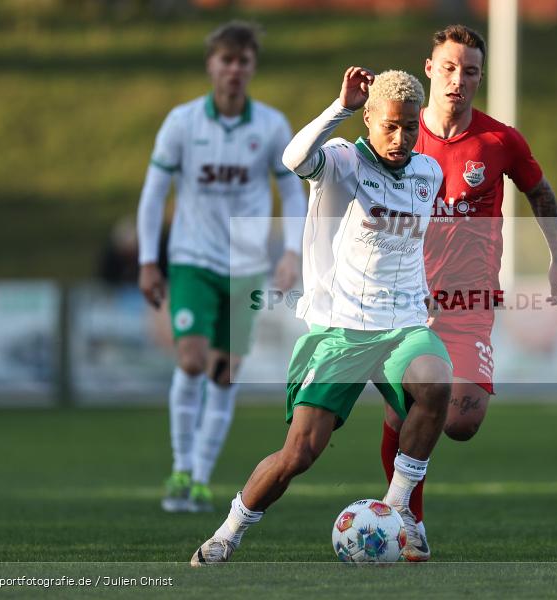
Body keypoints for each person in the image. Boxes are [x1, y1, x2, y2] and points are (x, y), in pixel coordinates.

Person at [189, 67, 453, 566]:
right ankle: (228, 531)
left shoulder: (428, 173)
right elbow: (293, 158)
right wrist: (341, 108)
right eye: (391, 125)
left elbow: (412, 242)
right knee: (300, 453)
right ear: (370, 118)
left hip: (402, 330)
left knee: (437, 385)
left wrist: (425, 290)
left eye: (412, 126)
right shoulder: (342, 162)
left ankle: (397, 512)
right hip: (342, 331)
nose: (402, 137)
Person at [378, 24, 557, 561]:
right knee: (409, 410)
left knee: (461, 420)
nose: (458, 80)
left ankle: (397, 506)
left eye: (470, 72)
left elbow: (541, 192)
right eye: (449, 68)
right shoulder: (398, 134)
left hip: (468, 304)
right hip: (403, 302)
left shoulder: (499, 140)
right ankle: (405, 520)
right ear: (428, 67)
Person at [136, 21, 307, 513]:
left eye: (243, 61)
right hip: (192, 259)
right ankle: (181, 469)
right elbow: (154, 194)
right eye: (226, 60)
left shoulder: (271, 125)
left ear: (252, 67)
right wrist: (150, 259)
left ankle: (201, 479)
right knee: (191, 359)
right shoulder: (183, 122)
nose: (234, 70)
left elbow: (292, 189)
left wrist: (291, 251)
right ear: (211, 65)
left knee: (225, 372)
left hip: (248, 263)